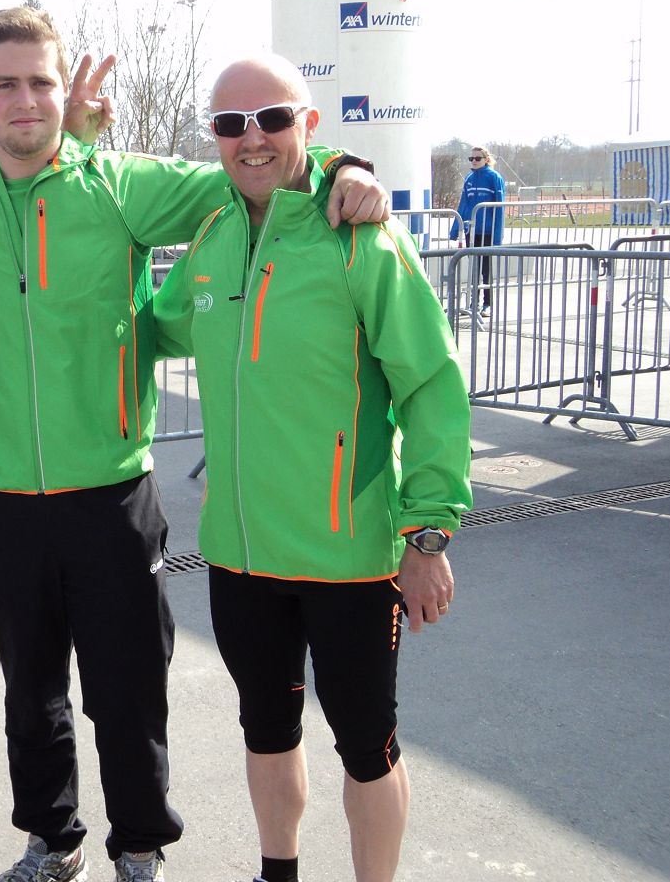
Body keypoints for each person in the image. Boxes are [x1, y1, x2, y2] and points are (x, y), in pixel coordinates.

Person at [0, 7, 391, 882]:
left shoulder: (120, 186)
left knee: (126, 688)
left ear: (63, 91)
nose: (25, 100)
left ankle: (140, 846)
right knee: (30, 692)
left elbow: (256, 164)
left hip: (109, 491)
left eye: (41, 81)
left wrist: (346, 165)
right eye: (5, 84)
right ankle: (53, 840)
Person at [154, 55, 472, 882]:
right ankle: (279, 873)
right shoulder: (214, 238)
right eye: (230, 124)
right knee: (265, 732)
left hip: (348, 557)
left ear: (310, 125)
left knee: (368, 746)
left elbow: (432, 386)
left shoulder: (360, 237)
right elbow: (152, 327)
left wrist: (428, 534)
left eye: (273, 118)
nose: (252, 138)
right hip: (242, 553)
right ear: (215, 138)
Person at [452, 145, 506, 314]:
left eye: (477, 158)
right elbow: (463, 204)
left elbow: (499, 206)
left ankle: (487, 303)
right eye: (471, 158)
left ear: (486, 159)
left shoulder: (494, 177)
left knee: (486, 269)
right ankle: (473, 302)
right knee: (473, 268)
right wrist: (456, 229)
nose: (474, 161)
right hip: (472, 231)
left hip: (487, 231)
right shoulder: (469, 178)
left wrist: (497, 234)